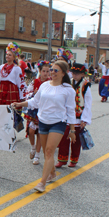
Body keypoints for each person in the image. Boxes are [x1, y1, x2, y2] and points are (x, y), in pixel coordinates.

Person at [12, 61, 76, 193]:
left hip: (58, 122)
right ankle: (51, 173)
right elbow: (35, 102)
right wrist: (20, 104)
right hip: (43, 121)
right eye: (51, 69)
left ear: (63, 73)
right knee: (48, 152)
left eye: (56, 70)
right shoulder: (44, 85)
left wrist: (72, 130)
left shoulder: (68, 90)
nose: (52, 72)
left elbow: (71, 111)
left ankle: (42, 183)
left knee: (49, 151)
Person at [56, 63, 92, 168]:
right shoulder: (68, 83)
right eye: (73, 73)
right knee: (64, 138)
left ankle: (74, 159)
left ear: (82, 74)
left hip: (78, 117)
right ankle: (62, 159)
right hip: (67, 115)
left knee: (76, 141)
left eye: (77, 73)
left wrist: (84, 120)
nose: (75, 75)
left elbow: (88, 104)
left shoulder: (85, 85)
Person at [24, 61, 50, 165]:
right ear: (39, 71)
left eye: (48, 71)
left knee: (40, 133)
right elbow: (27, 93)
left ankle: (37, 156)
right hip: (35, 110)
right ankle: (33, 147)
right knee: (31, 131)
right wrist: (33, 94)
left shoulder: (50, 83)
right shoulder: (35, 81)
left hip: (44, 110)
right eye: (44, 71)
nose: (46, 73)